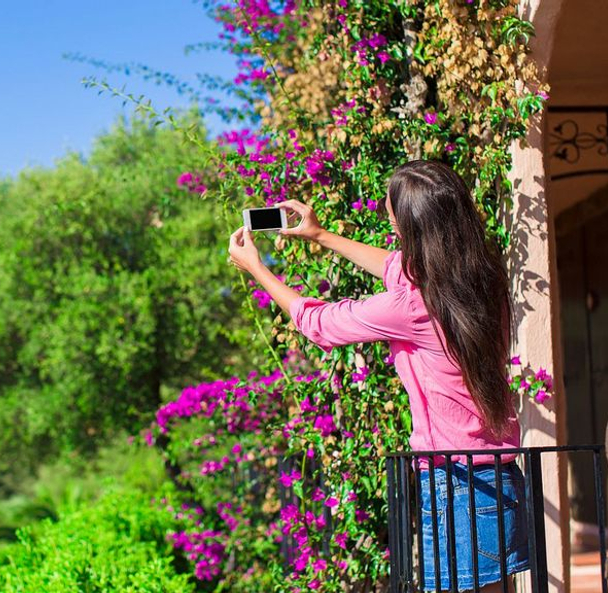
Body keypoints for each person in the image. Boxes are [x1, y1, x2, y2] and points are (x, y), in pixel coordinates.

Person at [227, 160, 529, 592]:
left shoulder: (412, 304)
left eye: (392, 214)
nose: (388, 220)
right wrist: (321, 235)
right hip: (500, 476)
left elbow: (318, 324)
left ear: (410, 225)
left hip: (456, 483)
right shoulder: (481, 276)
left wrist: (257, 269)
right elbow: (394, 266)